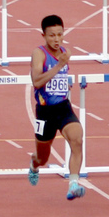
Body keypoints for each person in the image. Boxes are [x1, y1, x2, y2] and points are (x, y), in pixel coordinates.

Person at [27, 15, 85, 200]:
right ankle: (34, 164)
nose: (57, 39)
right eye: (52, 35)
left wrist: (64, 84)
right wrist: (59, 65)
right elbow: (36, 82)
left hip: (63, 107)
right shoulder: (39, 53)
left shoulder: (64, 51)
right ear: (43, 35)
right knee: (43, 158)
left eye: (60, 34)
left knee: (77, 139)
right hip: (45, 112)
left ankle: (73, 183)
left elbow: (59, 78)